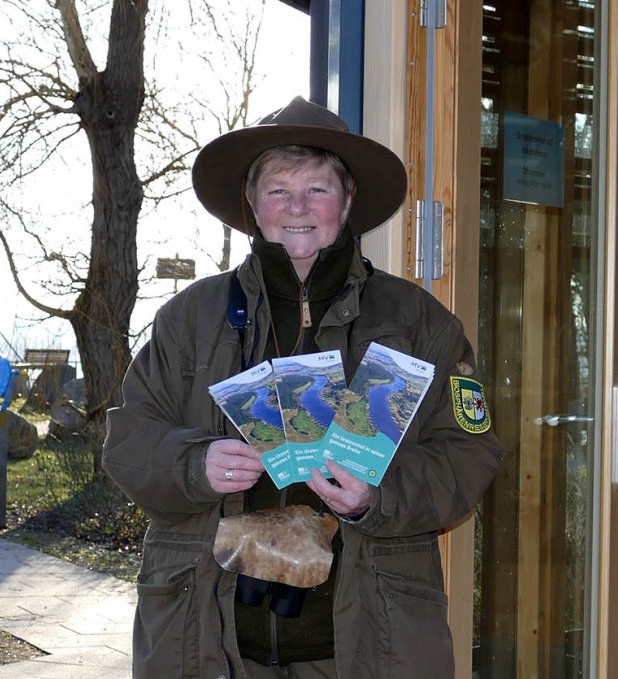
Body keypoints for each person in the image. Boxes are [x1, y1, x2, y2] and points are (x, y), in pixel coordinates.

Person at [104, 97, 504, 679]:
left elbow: (471, 452)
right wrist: (195, 464)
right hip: (208, 642)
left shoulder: (421, 322)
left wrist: (377, 495)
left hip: (369, 642)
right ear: (251, 203)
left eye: (317, 189)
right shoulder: (189, 319)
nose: (297, 208)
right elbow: (128, 441)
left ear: (346, 202)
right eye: (278, 190)